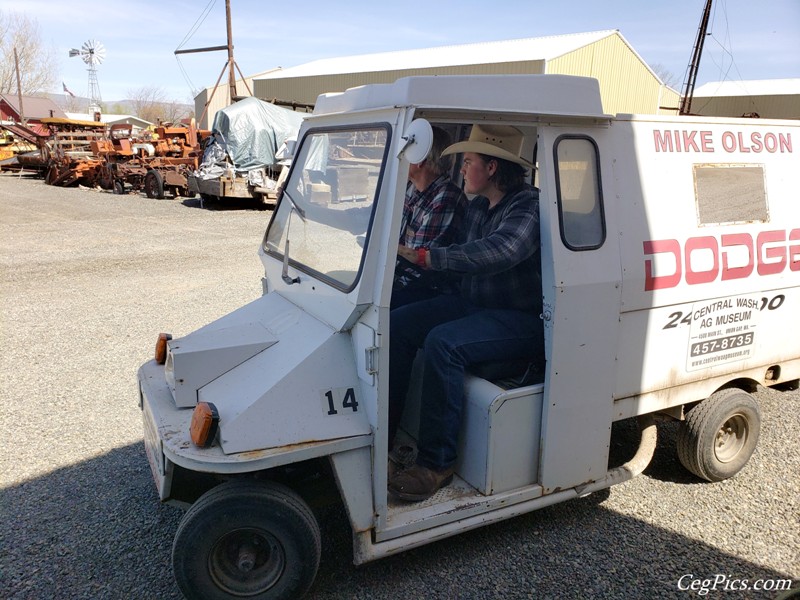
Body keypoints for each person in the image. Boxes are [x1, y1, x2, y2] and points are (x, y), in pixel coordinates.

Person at [388, 124, 544, 502]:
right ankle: (383, 434)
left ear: (491, 168)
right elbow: (456, 251)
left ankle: (436, 464)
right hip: (476, 303)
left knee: (445, 343)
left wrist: (426, 256)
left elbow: (500, 251)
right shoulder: (477, 206)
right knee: (398, 323)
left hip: (520, 318)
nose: (461, 169)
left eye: (468, 162)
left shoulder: (528, 205)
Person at [392, 126, 465, 308]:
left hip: (429, 289)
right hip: (403, 278)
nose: (402, 158)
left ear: (420, 160)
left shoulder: (446, 198)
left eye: (406, 152)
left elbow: (417, 261)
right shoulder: (411, 188)